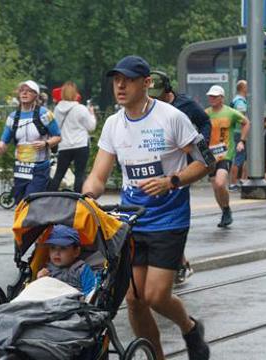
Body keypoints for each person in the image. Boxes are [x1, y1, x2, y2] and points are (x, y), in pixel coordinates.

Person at [82, 55, 211, 360]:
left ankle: (190, 327)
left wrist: (172, 181)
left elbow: (205, 162)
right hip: (133, 221)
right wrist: (86, 197)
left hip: (169, 219)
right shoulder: (113, 124)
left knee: (155, 295)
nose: (120, 86)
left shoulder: (172, 117)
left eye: (128, 80)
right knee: (135, 300)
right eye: (116, 80)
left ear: (147, 83)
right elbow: (98, 176)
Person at [148, 70, 212, 284]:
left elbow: (205, 122)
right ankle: (178, 262)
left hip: (182, 168)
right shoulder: (146, 108)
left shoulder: (184, 106)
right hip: (157, 167)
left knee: (170, 217)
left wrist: (201, 144)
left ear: (168, 89)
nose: (154, 99)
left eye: (158, 94)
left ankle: (178, 263)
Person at [0, 80, 61, 205]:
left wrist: (46, 143)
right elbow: (4, 140)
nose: (24, 93)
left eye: (29, 91)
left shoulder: (45, 114)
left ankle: (36, 217)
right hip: (21, 168)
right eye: (22, 91)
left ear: (36, 95)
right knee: (20, 203)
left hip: (39, 168)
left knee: (31, 202)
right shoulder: (13, 117)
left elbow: (58, 136)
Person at [204, 84, 248, 228]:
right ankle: (225, 212)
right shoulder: (205, 113)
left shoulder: (230, 112)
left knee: (220, 183)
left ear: (222, 98)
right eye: (210, 96)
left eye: (215, 96)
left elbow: (246, 122)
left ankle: (227, 208)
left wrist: (242, 141)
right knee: (216, 187)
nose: (212, 98)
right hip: (210, 155)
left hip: (225, 154)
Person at [50, 81, 96, 193]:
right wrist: (92, 114)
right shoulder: (81, 108)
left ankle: (50, 196)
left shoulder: (57, 109)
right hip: (81, 145)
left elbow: (55, 128)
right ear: (75, 94)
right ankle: (78, 198)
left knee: (59, 174)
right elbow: (91, 127)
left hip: (64, 145)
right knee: (79, 174)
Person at [35, 224, 97, 296]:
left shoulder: (82, 270)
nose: (57, 253)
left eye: (63, 248)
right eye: (53, 248)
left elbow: (90, 292)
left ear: (76, 252)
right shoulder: (47, 270)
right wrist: (40, 280)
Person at [229, 80, 249, 190]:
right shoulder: (240, 102)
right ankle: (233, 183)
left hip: (237, 132)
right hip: (239, 133)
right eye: (247, 86)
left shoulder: (236, 100)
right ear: (243, 88)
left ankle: (242, 180)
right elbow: (242, 119)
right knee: (238, 157)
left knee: (243, 157)